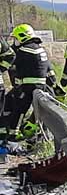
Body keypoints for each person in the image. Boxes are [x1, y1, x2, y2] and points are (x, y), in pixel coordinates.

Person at [0, 24, 56, 152]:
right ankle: (32, 134)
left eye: (16, 39)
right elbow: (50, 72)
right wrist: (54, 86)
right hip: (42, 88)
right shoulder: (40, 50)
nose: (15, 42)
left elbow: (12, 61)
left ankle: (12, 137)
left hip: (27, 88)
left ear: (22, 37)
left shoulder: (23, 52)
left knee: (19, 110)